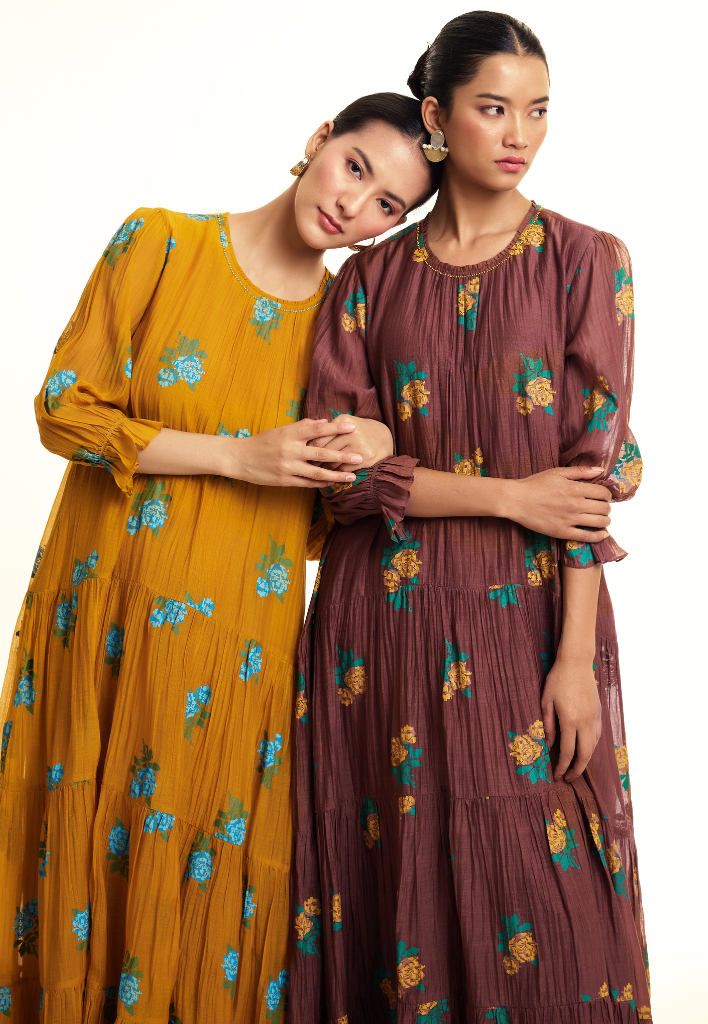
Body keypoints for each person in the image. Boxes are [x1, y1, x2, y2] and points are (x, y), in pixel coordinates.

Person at [0, 94, 442, 1024]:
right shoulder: (162, 243)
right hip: (104, 614)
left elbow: (327, 521)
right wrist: (234, 454)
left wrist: (375, 443)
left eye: (387, 204)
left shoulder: (346, 333)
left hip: (237, 654)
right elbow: (65, 408)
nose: (354, 204)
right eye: (354, 166)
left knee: (204, 886)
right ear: (318, 140)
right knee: (79, 858)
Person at [290, 12, 651, 1023]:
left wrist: (574, 659)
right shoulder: (369, 280)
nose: (519, 133)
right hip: (380, 632)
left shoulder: (587, 260)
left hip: (531, 620)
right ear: (438, 117)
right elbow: (341, 482)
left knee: (550, 898)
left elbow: (592, 474)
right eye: (494, 108)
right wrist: (507, 494)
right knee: (387, 876)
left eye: (538, 110)